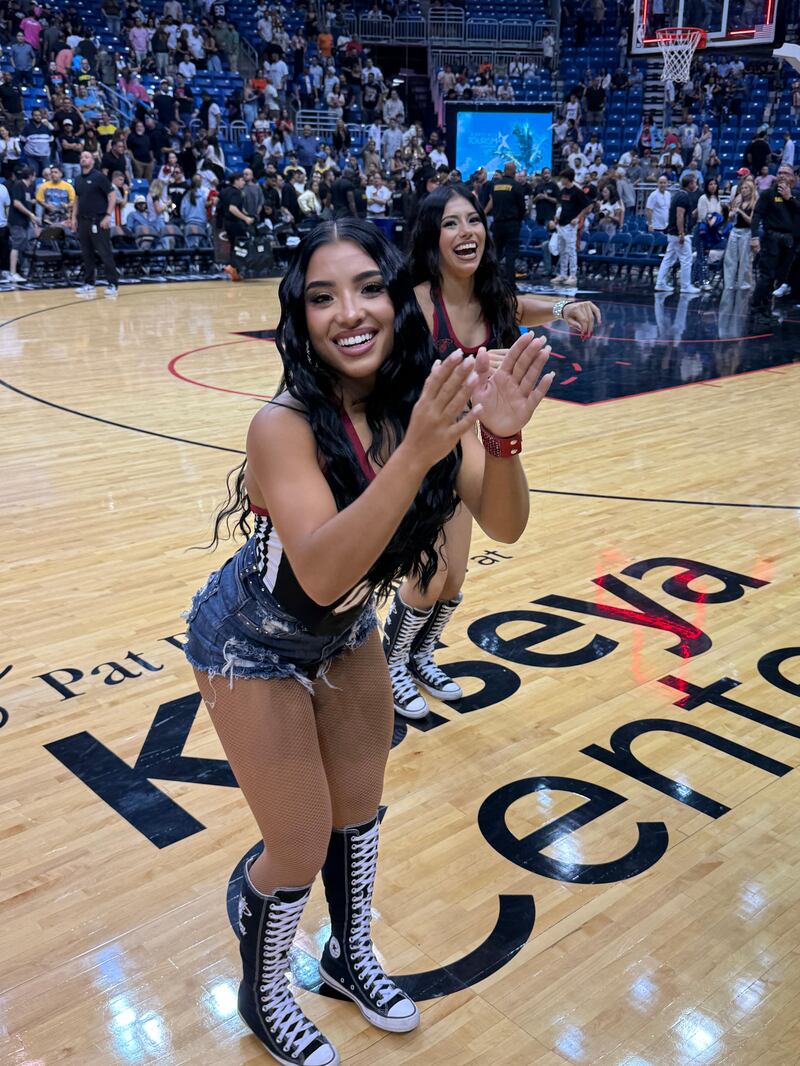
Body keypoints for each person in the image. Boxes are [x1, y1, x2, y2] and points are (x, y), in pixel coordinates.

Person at [182, 218, 555, 1064]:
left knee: (360, 817)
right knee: (299, 843)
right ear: (301, 317)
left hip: (345, 631)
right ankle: (264, 988)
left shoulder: (426, 398)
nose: (348, 311)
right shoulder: (280, 425)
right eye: (322, 296)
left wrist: (496, 439)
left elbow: (505, 521)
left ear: (398, 296)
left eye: (367, 287)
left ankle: (349, 957)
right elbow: (317, 573)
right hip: (250, 642)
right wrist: (420, 449)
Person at [382, 184, 600, 717]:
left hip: (465, 446)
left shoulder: (491, 296)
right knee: (429, 574)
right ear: (432, 238)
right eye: (451, 223)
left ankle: (421, 653)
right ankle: (391, 663)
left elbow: (522, 306)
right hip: (419, 448)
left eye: (473, 220)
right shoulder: (412, 303)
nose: (466, 232)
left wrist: (565, 307)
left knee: (454, 578)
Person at [70, 149, 120, 298]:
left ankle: (113, 284)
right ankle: (89, 283)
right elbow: (77, 200)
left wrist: (107, 216)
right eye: (81, 157)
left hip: (99, 220)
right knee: (87, 254)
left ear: (92, 160)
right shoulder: (78, 179)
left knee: (104, 252)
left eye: (86, 157)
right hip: (83, 221)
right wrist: (73, 218)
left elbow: (112, 195)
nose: (83, 159)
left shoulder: (99, 177)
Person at [750, 164, 799, 314]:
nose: (782, 175)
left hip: (790, 241)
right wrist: (754, 237)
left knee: (780, 278)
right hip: (771, 238)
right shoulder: (768, 194)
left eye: (786, 173)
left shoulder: (796, 194)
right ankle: (757, 309)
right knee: (767, 276)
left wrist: (789, 198)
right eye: (780, 172)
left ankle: (767, 309)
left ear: (793, 178)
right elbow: (757, 214)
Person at [482, 161, 529, 288]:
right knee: (510, 255)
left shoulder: (495, 185)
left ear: (504, 171)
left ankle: (492, 282)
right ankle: (510, 283)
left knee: (496, 253)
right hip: (511, 224)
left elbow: (492, 202)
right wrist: (518, 221)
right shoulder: (516, 186)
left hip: (497, 224)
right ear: (514, 172)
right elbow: (522, 208)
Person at [654, 174, 701, 295]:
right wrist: (682, 233)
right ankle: (685, 286)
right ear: (690, 184)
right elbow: (680, 216)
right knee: (686, 259)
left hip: (672, 232)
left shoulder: (677, 195)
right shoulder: (683, 197)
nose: (696, 185)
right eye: (694, 182)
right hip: (678, 233)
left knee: (668, 258)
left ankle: (660, 283)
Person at [552, 167, 591, 286]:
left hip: (570, 225)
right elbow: (561, 206)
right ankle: (563, 274)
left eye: (562, 178)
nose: (561, 180)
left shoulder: (577, 191)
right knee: (562, 250)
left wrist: (578, 218)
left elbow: (587, 207)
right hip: (561, 224)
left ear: (567, 179)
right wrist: (557, 217)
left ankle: (573, 275)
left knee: (571, 251)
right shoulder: (562, 191)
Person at [723, 173, 756, 291]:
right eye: (742, 188)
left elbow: (751, 221)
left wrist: (741, 212)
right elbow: (730, 217)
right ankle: (729, 284)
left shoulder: (753, 203)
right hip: (735, 230)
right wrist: (731, 214)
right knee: (730, 259)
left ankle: (744, 284)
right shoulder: (738, 200)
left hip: (746, 232)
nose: (744, 190)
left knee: (745, 260)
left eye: (746, 188)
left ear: (751, 190)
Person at [7, 165, 39, 283]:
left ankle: (23, 270)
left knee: (25, 244)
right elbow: (16, 203)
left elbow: (29, 204)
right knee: (17, 244)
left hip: (25, 222)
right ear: (31, 176)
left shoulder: (29, 188)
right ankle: (12, 272)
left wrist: (33, 220)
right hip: (16, 221)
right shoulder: (19, 185)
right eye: (35, 175)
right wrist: (30, 214)